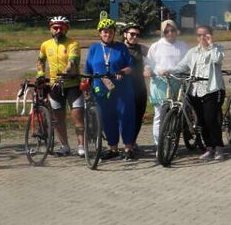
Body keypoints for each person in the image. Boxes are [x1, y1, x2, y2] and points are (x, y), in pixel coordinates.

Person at [84, 18, 137, 160]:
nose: (108, 34)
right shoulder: (94, 49)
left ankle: (128, 148)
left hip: (122, 89)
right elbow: (88, 70)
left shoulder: (121, 47)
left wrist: (122, 71)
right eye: (105, 32)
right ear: (100, 33)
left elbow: (130, 67)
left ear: (114, 33)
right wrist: (86, 85)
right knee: (107, 118)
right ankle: (112, 148)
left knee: (125, 117)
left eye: (111, 32)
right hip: (101, 89)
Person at [173, 24, 226, 161]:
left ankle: (219, 148)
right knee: (201, 121)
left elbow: (217, 59)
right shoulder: (192, 52)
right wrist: (168, 71)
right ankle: (209, 148)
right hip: (195, 90)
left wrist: (211, 44)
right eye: (199, 35)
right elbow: (182, 66)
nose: (202, 37)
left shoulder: (217, 49)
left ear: (210, 35)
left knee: (211, 119)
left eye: (205, 34)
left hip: (213, 90)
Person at [37, 15, 81, 156]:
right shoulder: (45, 45)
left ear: (66, 29)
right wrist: (40, 74)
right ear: (50, 29)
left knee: (78, 117)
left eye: (61, 27)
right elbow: (40, 60)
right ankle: (65, 146)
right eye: (55, 27)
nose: (58, 30)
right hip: (54, 86)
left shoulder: (73, 44)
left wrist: (65, 73)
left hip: (72, 84)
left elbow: (72, 63)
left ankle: (81, 146)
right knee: (58, 119)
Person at [145, 19, 188, 147]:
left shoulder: (182, 46)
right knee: (159, 114)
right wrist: (149, 70)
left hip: (177, 83)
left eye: (172, 30)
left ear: (176, 31)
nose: (170, 33)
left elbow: (187, 63)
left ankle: (171, 141)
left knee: (174, 113)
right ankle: (159, 144)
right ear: (163, 32)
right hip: (160, 83)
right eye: (166, 31)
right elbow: (148, 62)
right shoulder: (156, 46)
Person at [121, 23, 148, 144]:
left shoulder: (142, 49)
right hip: (123, 88)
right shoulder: (118, 48)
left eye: (137, 35)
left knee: (138, 117)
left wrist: (149, 67)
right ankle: (125, 141)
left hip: (139, 88)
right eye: (132, 34)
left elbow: (155, 59)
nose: (135, 37)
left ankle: (131, 142)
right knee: (123, 117)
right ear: (125, 34)